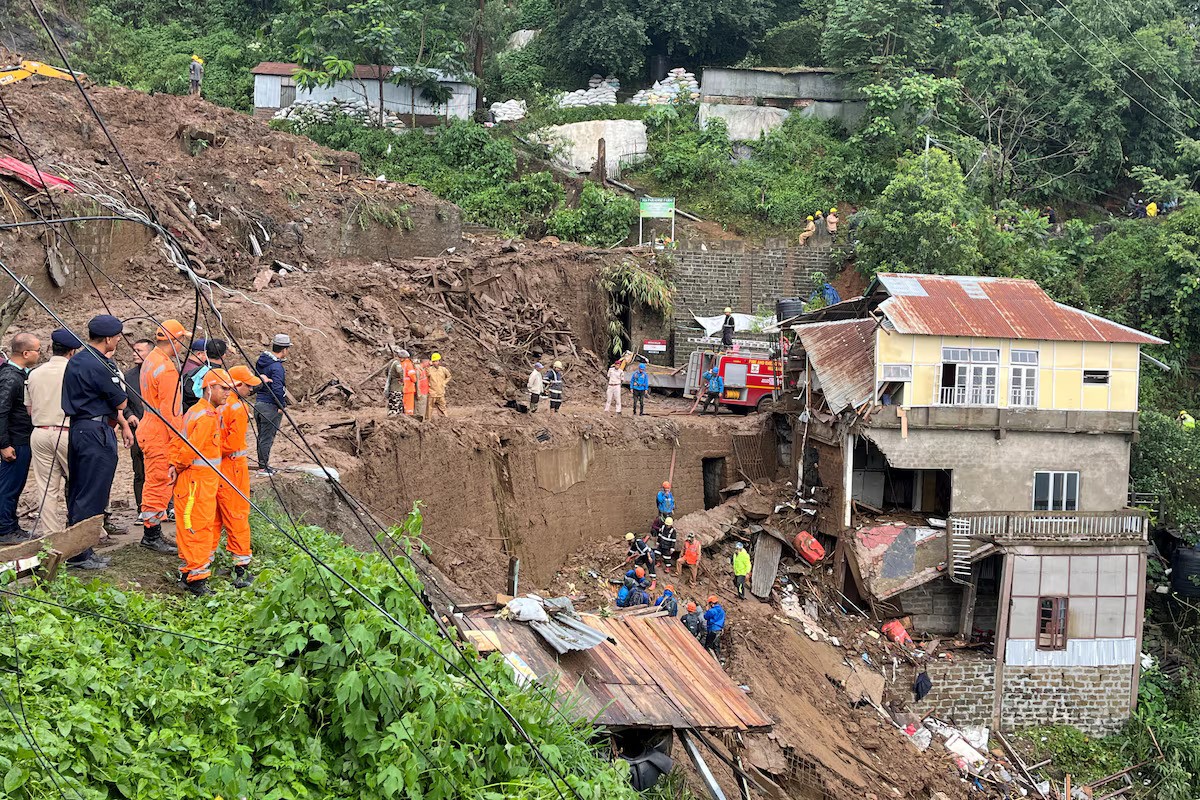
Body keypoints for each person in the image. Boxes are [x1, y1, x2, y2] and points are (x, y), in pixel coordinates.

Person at [62, 315, 135, 569]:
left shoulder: (78, 359)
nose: (118, 340)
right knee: (92, 491)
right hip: (96, 430)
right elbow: (121, 402)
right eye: (116, 337)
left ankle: (80, 548)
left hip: (81, 428)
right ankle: (80, 554)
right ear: (107, 339)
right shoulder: (100, 364)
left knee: (81, 488)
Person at [172, 368, 231, 595]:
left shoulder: (199, 412)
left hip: (200, 481)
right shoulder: (205, 417)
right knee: (198, 527)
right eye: (223, 389)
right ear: (209, 389)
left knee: (194, 526)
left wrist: (174, 466)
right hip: (196, 482)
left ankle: (190, 571)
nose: (227, 394)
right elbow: (189, 449)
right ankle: (196, 577)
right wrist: (176, 466)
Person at [137, 319, 188, 554]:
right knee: (160, 482)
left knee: (153, 481)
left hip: (150, 425)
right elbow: (171, 413)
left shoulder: (151, 359)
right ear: (174, 340)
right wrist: (179, 444)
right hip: (160, 432)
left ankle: (152, 530)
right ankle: (152, 534)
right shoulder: (166, 369)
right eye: (182, 340)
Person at [27, 329, 80, 539]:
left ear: (52, 348)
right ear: (73, 351)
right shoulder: (75, 371)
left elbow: (29, 408)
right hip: (68, 431)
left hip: (39, 432)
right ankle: (81, 527)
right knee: (79, 482)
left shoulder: (35, 373)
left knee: (46, 487)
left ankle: (50, 534)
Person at [217, 365, 262, 588]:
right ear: (238, 385)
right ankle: (241, 569)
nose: (251, 391)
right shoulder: (237, 408)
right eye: (248, 386)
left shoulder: (217, 405)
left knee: (216, 517)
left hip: (216, 467)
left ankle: (206, 564)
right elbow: (232, 443)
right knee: (238, 515)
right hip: (233, 467)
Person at [0, 333, 38, 543]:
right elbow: (1, 411)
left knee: (17, 484)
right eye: (37, 350)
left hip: (23, 438)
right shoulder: (10, 377)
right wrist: (4, 444)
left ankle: (11, 523)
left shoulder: (21, 375)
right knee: (9, 485)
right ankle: (4, 529)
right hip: (14, 440)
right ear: (25, 353)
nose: (39, 354)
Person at [254, 333, 291, 476]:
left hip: (259, 403)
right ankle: (263, 468)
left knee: (262, 437)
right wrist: (281, 405)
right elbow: (277, 388)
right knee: (267, 438)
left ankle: (262, 466)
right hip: (270, 407)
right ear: (284, 350)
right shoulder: (277, 367)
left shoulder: (262, 361)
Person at [125, 339, 154, 510]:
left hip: (158, 430)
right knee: (139, 470)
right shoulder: (128, 377)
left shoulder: (161, 373)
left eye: (139, 350)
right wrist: (129, 415)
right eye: (134, 350)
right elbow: (123, 402)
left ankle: (167, 505)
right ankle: (141, 507)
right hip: (138, 430)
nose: (134, 353)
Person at [182, 338, 227, 412]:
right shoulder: (220, 375)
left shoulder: (194, 371)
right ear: (223, 356)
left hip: (186, 412)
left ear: (206, 352)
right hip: (205, 413)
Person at [425, 352, 451, 418]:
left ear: (439, 361)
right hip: (432, 392)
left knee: (443, 407)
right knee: (429, 408)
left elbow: (449, 376)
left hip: (440, 392)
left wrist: (444, 383)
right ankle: (428, 420)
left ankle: (445, 419)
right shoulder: (429, 370)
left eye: (436, 361)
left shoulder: (443, 369)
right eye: (434, 361)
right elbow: (425, 376)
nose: (435, 363)